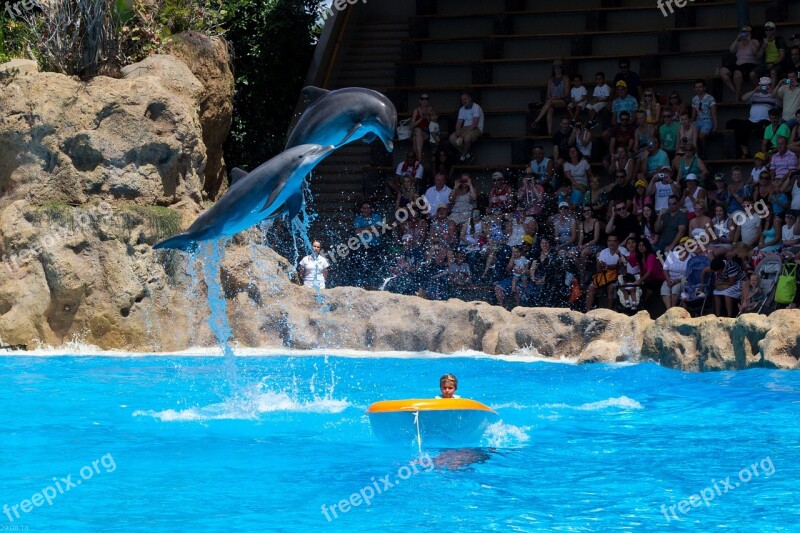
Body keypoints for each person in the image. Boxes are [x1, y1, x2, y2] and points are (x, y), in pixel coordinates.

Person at [727, 80, 776, 159]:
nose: (764, 87)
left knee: (762, 128)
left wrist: (771, 92)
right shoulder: (755, 95)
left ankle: (763, 152)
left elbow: (780, 103)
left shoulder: (773, 96)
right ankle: (745, 152)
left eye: (766, 85)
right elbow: (743, 98)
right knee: (740, 127)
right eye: (762, 85)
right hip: (752, 120)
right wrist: (754, 90)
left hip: (765, 120)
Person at [720, 26, 761, 101]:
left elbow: (755, 52)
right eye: (743, 32)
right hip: (738, 64)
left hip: (749, 64)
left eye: (747, 32)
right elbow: (731, 50)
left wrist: (749, 40)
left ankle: (736, 98)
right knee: (723, 71)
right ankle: (737, 92)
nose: (745, 34)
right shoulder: (738, 42)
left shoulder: (754, 41)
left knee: (737, 73)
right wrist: (737, 38)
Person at [585, 235, 625, 310]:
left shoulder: (622, 250)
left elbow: (621, 265)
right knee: (591, 287)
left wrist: (608, 266)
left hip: (618, 277)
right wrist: (602, 265)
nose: (611, 243)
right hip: (606, 277)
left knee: (611, 287)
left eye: (614, 241)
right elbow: (599, 269)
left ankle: (609, 311)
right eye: (610, 241)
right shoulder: (604, 252)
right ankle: (588, 311)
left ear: (618, 242)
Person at [532, 59, 571, 135]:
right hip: (552, 101)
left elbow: (566, 93)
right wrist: (551, 98)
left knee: (549, 102)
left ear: (562, 69)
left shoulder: (566, 78)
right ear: (553, 69)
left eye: (559, 68)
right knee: (549, 109)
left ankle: (536, 120)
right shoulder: (550, 80)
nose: (557, 70)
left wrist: (556, 98)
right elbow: (548, 94)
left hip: (562, 100)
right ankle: (549, 132)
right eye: (556, 68)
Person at [449, 91, 484, 162]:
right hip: (465, 128)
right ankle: (467, 154)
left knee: (466, 138)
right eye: (462, 100)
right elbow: (458, 123)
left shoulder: (476, 107)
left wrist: (462, 136)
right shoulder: (462, 109)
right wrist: (458, 131)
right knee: (451, 138)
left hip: (476, 128)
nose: (464, 101)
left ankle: (462, 158)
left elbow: (474, 124)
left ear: (470, 98)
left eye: (465, 99)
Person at [755, 21, 787, 85]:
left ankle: (771, 92)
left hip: (777, 63)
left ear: (774, 30)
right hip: (765, 64)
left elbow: (782, 56)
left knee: (773, 72)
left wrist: (773, 63)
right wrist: (762, 48)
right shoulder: (763, 41)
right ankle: (761, 89)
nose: (768, 32)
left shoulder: (779, 40)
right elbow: (757, 57)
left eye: (770, 29)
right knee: (752, 74)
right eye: (766, 30)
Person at [662, 239, 691, 309]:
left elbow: (689, 274)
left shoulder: (691, 257)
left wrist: (676, 281)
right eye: (681, 245)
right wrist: (668, 280)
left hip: (680, 280)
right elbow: (665, 269)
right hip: (669, 278)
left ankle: (672, 310)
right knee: (664, 291)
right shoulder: (672, 254)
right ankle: (669, 311)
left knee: (675, 291)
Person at [690, 79, 717, 155]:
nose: (698, 89)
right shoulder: (694, 98)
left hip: (708, 121)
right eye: (696, 87)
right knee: (690, 133)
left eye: (700, 87)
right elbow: (693, 114)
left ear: (704, 88)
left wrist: (715, 126)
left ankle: (703, 152)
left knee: (701, 136)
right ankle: (693, 152)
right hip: (698, 121)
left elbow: (714, 113)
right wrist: (690, 124)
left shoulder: (710, 98)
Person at [411, 93, 437, 165]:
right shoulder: (416, 110)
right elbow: (411, 125)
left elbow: (434, 125)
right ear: (419, 100)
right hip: (418, 131)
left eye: (427, 99)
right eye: (423, 99)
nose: (425, 101)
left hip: (428, 132)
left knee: (415, 138)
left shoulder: (431, 109)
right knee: (417, 131)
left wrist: (427, 116)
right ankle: (419, 159)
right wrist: (421, 119)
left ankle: (416, 160)